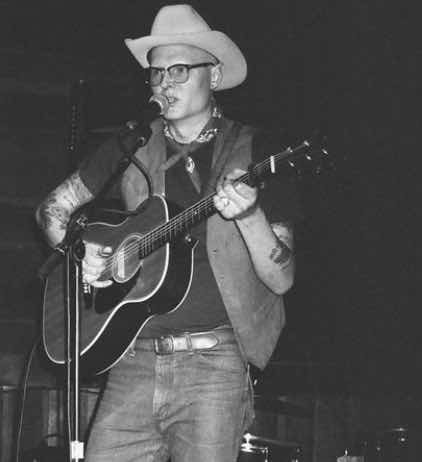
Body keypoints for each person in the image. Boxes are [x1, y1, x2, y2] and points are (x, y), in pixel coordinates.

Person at [36, 4, 301, 461]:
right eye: (156, 73)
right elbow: (52, 210)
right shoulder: (131, 145)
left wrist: (249, 215)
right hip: (132, 359)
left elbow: (282, 278)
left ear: (214, 75)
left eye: (179, 70)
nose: (164, 84)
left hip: (213, 365)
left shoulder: (258, 150)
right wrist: (81, 252)